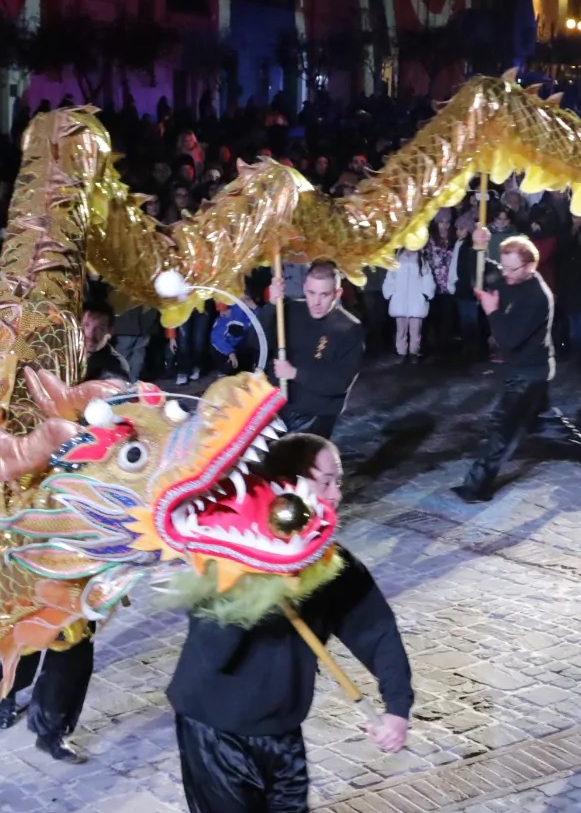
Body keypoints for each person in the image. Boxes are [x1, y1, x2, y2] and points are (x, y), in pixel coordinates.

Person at [168, 433, 413, 812]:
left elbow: (375, 629)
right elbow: (214, 653)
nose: (336, 496)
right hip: (216, 730)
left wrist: (397, 707)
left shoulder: (333, 563)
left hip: (283, 731)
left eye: (338, 482)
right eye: (326, 482)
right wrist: (253, 582)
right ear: (285, 489)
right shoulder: (225, 562)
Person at [0, 322, 125, 761]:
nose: (84, 332)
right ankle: (7, 691)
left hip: (91, 527)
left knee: (76, 640)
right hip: (39, 528)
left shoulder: (112, 375)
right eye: (77, 325)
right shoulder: (23, 390)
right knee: (32, 627)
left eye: (91, 325)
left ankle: (52, 728)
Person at [452, 234, 581, 503]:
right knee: (541, 421)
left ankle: (476, 487)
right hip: (524, 370)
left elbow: (509, 340)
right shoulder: (510, 275)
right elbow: (478, 275)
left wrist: (492, 311)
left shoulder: (538, 297)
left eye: (512, 269)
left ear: (530, 267)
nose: (505, 273)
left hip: (528, 373)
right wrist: (477, 246)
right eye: (504, 266)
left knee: (503, 429)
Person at [238, 260, 363, 440]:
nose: (316, 302)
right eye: (311, 293)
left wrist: (295, 373)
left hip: (315, 416)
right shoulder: (290, 310)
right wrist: (272, 306)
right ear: (304, 288)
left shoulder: (349, 329)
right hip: (277, 406)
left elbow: (339, 383)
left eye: (324, 294)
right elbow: (255, 342)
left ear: (337, 293)